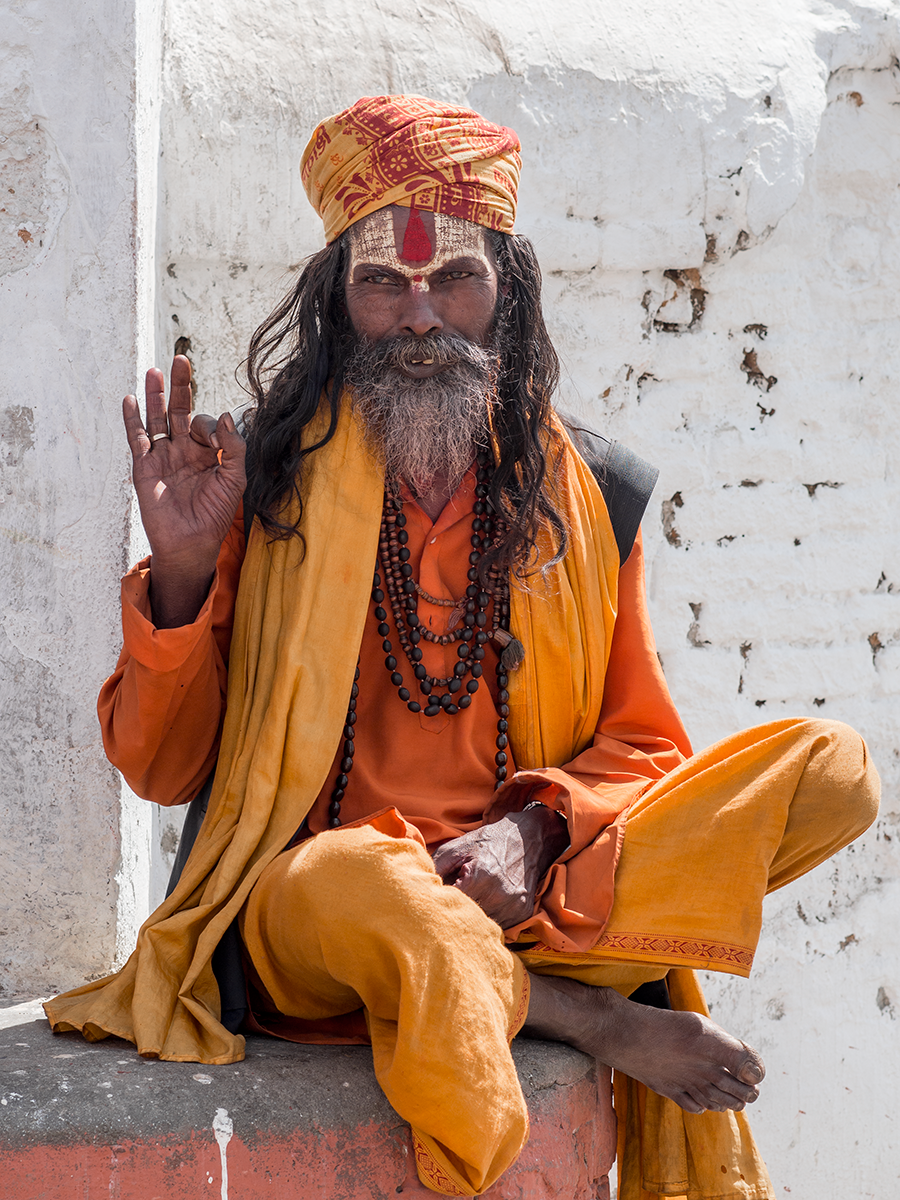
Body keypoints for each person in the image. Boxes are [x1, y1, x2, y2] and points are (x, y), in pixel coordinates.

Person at [45, 95, 879, 1199]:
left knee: (833, 770)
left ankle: (520, 972)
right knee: (382, 887)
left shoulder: (595, 496)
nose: (421, 316)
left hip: (534, 899)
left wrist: (532, 836)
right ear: (339, 304)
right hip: (326, 903)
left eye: (456, 280)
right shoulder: (265, 484)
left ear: (507, 295)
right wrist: (189, 572)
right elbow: (166, 769)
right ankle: (579, 1013)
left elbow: (641, 748)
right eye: (384, 281)